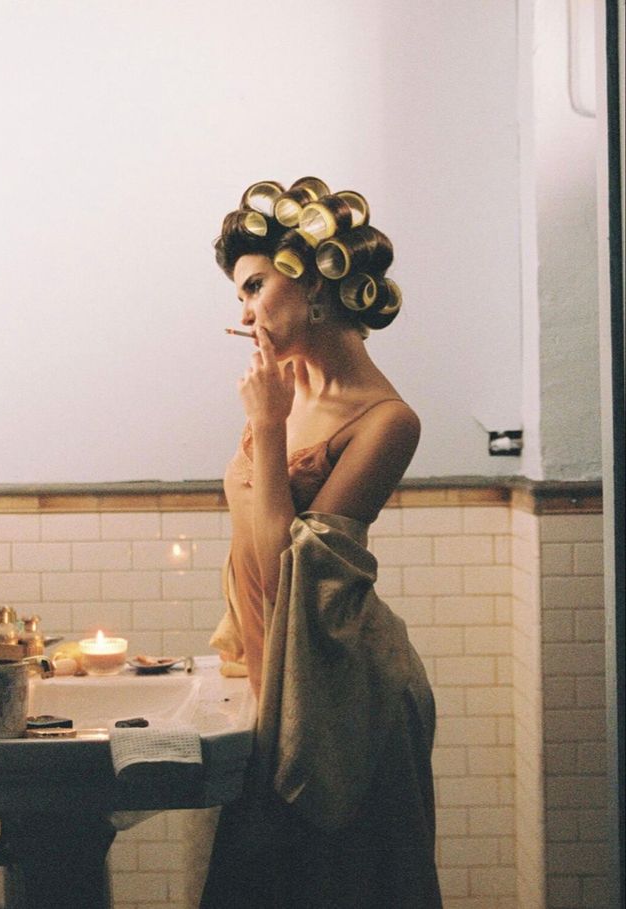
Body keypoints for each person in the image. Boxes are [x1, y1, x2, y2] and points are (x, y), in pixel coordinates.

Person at [199, 178, 442, 909]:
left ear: (309, 286)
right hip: (274, 677)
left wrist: (269, 427)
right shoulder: (284, 382)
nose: (242, 313)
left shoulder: (388, 421)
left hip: (342, 693)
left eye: (253, 287)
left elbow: (289, 567)